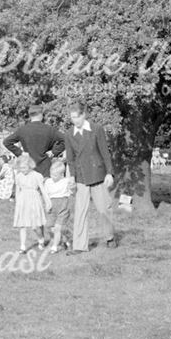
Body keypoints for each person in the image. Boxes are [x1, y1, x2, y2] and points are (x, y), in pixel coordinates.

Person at [63, 102, 115, 252]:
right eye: (72, 118)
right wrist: (71, 176)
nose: (74, 121)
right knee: (80, 212)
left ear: (83, 115)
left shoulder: (96, 129)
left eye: (76, 117)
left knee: (104, 209)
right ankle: (79, 246)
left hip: (98, 174)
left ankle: (109, 237)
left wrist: (109, 173)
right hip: (80, 177)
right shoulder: (68, 134)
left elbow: (105, 152)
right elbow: (70, 159)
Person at [3, 105, 65, 179]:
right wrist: (54, 152)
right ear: (41, 114)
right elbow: (66, 140)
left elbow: (6, 142)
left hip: (29, 166)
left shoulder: (23, 130)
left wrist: (20, 153)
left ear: (30, 115)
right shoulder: (49, 129)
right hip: (45, 168)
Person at [13, 154, 51, 252]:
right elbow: (17, 190)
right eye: (20, 168)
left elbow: (43, 190)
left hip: (34, 200)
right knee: (22, 225)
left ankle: (41, 239)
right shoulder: (18, 176)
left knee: (36, 226)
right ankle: (22, 246)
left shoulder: (37, 176)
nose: (23, 170)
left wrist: (47, 201)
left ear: (30, 166)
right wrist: (17, 203)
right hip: (23, 200)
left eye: (25, 167)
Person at [43, 159, 71, 252]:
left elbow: (71, 190)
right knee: (49, 226)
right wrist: (47, 203)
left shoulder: (65, 181)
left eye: (55, 175)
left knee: (58, 227)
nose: (52, 176)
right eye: (51, 174)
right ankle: (64, 238)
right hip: (52, 205)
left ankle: (55, 246)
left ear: (61, 175)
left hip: (63, 205)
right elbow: (46, 194)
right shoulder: (48, 182)